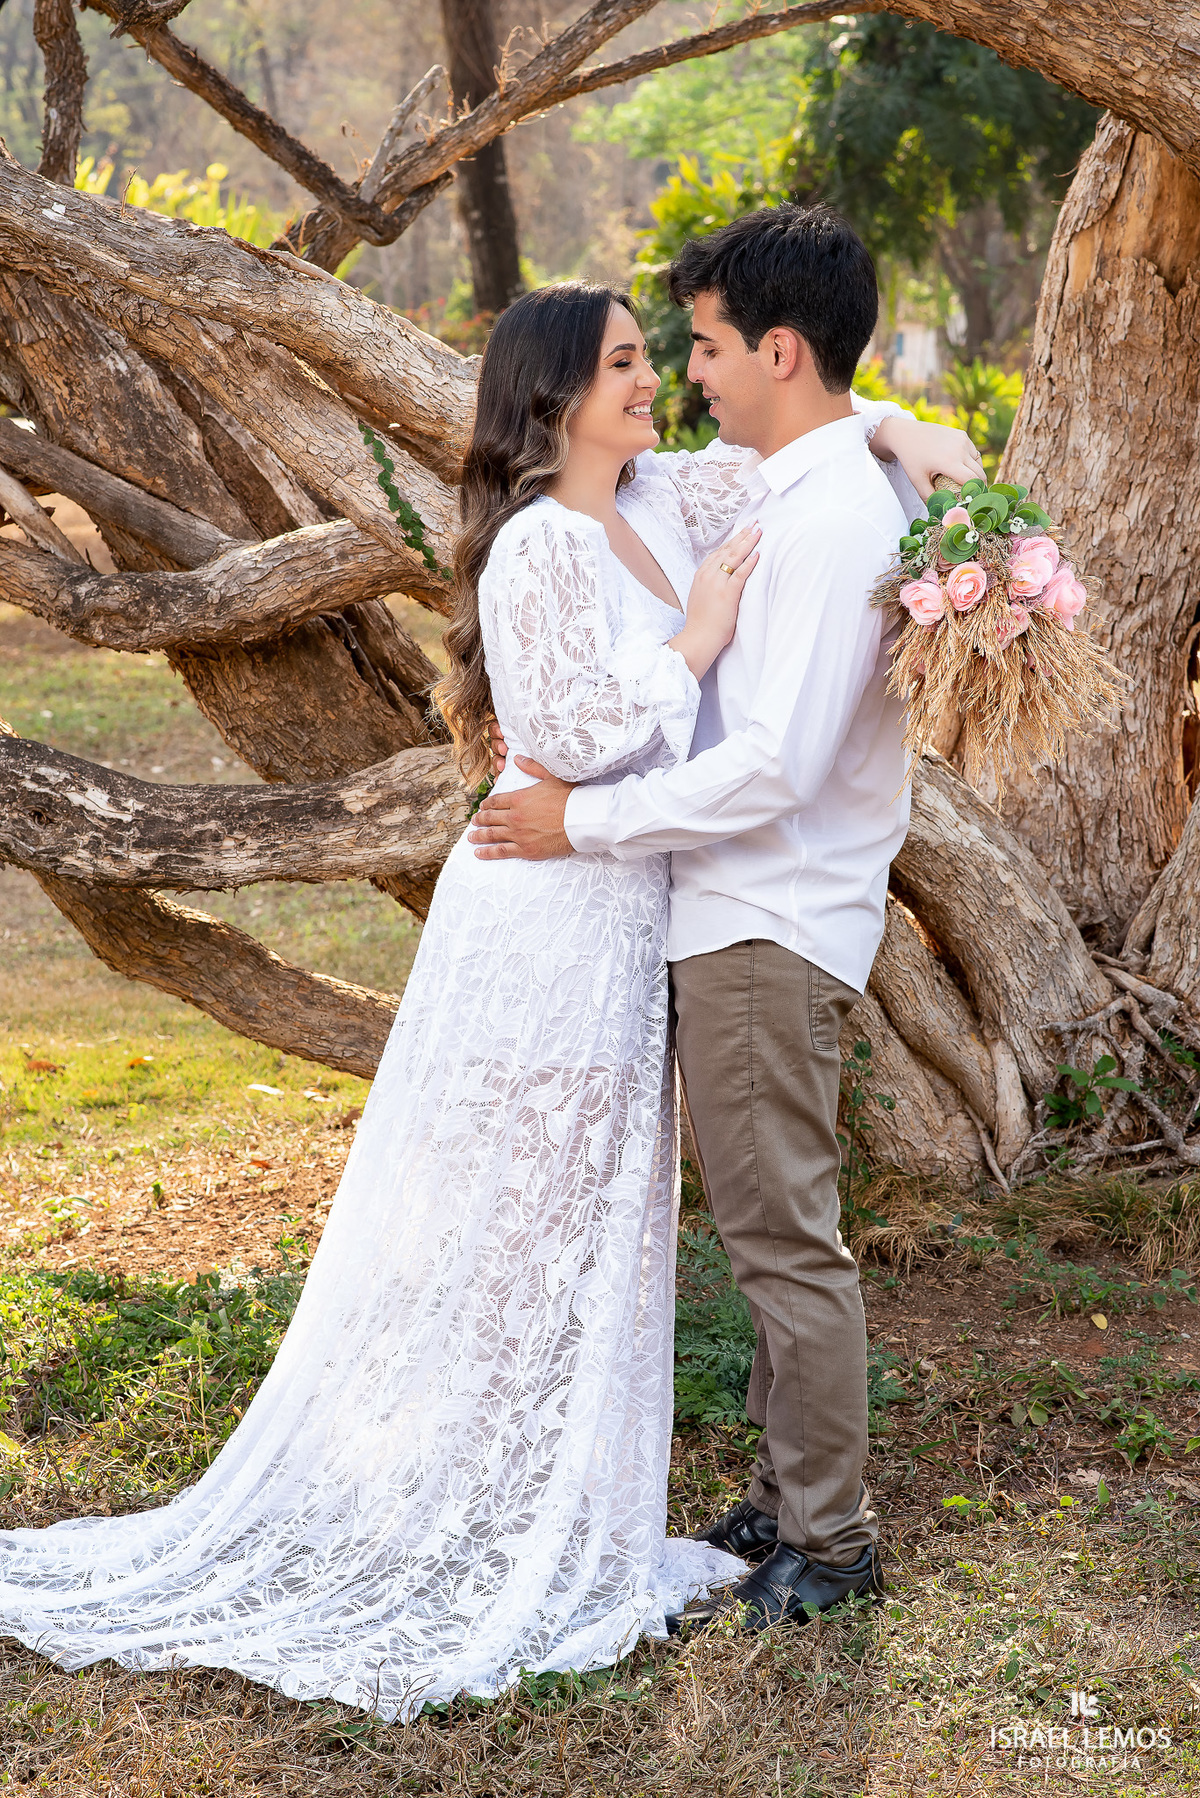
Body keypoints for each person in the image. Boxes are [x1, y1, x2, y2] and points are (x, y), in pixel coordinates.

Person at [0, 276, 971, 1717]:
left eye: (668, 356)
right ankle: (458, 1485)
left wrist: (913, 431)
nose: (660, 383)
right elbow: (569, 736)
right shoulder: (535, 546)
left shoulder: (670, 500)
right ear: (555, 395)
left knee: (596, 1214)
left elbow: (808, 426)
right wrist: (698, 646)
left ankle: (569, 1474)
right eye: (633, 364)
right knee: (509, 1210)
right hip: (545, 906)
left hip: (638, 901)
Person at [470, 207, 981, 1632]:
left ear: (777, 348)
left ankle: (831, 1539)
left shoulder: (823, 522)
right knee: (767, 1226)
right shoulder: (793, 485)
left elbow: (771, 767)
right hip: (740, 917)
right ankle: (783, 1492)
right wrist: (900, 421)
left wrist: (583, 822)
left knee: (781, 1241)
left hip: (765, 916)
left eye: (696, 344)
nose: (686, 372)